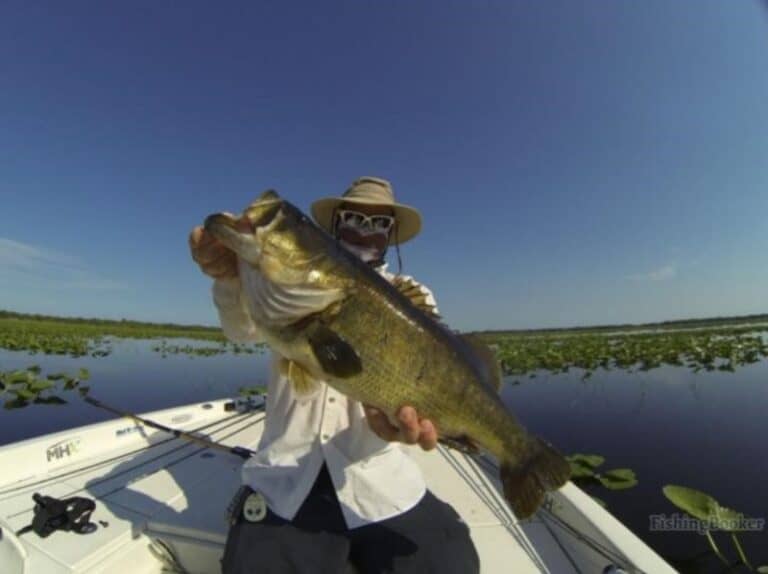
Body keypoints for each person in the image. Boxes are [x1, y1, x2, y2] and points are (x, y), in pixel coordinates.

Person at [189, 176, 480, 574]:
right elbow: (240, 328)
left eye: (379, 223)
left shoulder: (412, 295)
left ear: (391, 236)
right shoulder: (275, 283)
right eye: (354, 217)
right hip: (285, 479)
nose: (365, 229)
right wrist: (228, 277)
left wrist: (412, 423)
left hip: (376, 479)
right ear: (334, 223)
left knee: (452, 564)